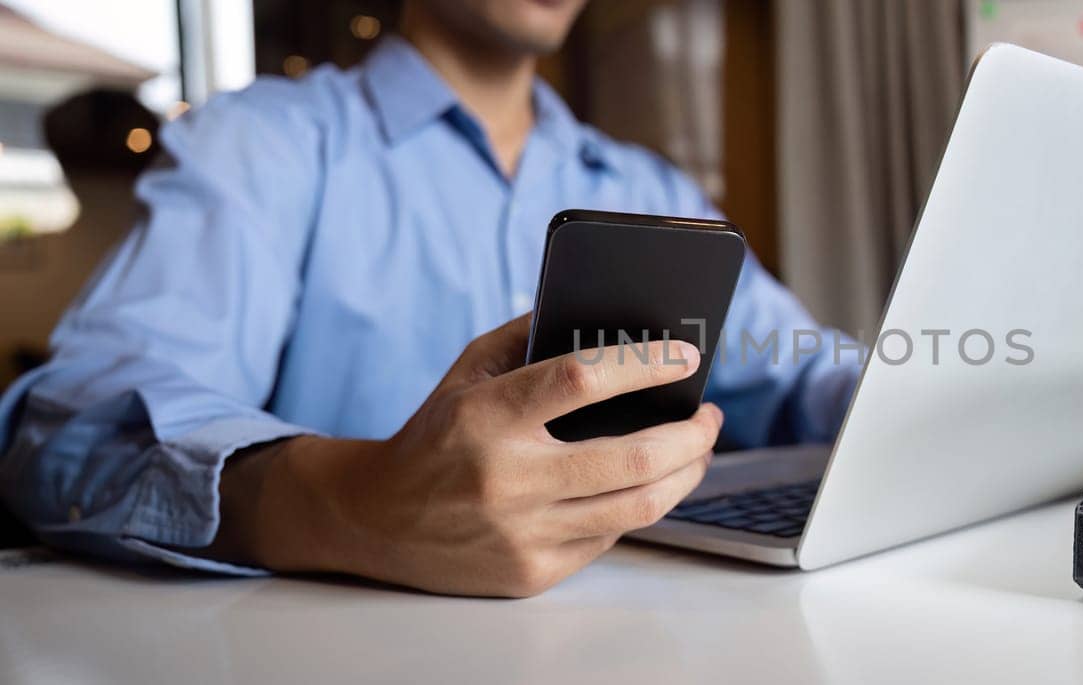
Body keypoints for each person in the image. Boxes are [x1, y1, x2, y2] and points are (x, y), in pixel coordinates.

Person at [0, 0, 859, 597]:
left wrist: (935, 391)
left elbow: (799, 366)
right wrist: (344, 499)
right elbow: (66, 421)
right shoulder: (263, 144)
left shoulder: (647, 184)